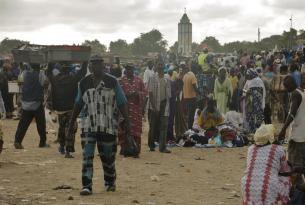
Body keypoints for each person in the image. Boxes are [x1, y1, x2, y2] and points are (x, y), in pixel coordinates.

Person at [67, 55, 130, 195]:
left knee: (108, 157)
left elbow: (122, 102)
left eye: (98, 64)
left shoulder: (112, 82)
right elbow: (78, 104)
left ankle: (110, 182)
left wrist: (127, 122)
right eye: (93, 64)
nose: (95, 67)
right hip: (88, 125)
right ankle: (87, 185)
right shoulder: (83, 83)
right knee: (87, 155)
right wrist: (71, 124)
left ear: (103, 66)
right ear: (90, 67)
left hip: (108, 126)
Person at [241, 124, 291, 204]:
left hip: (247, 184)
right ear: (271, 137)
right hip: (269, 186)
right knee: (286, 180)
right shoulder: (279, 149)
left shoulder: (250, 149)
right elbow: (285, 171)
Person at [47, 61, 87, 158]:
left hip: (59, 108)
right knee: (71, 129)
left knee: (62, 127)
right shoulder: (72, 79)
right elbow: (83, 72)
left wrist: (51, 61)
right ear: (69, 70)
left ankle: (61, 146)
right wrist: (85, 61)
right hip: (70, 109)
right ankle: (68, 151)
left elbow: (48, 73)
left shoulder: (55, 79)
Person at [14, 63, 49, 149]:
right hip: (37, 103)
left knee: (23, 124)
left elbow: (19, 83)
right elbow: (46, 84)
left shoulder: (24, 73)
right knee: (41, 124)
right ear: (39, 66)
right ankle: (42, 142)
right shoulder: (41, 74)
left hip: (26, 103)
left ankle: (17, 141)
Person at [279, 75, 305, 187]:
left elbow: (292, 114)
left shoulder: (295, 94)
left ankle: (298, 195)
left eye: (286, 87)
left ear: (289, 85)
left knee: (295, 168)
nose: (285, 89)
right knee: (302, 166)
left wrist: (283, 130)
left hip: (297, 136)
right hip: (302, 134)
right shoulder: (302, 92)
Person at [119, 64, 146, 156]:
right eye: (127, 69)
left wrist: (137, 94)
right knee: (124, 129)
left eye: (131, 69)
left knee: (136, 130)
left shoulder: (139, 81)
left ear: (134, 70)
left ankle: (135, 150)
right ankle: (125, 149)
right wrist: (126, 96)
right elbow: (117, 94)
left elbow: (144, 93)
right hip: (124, 110)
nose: (129, 71)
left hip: (136, 110)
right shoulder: (121, 81)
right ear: (125, 70)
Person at [147, 61, 171, 153]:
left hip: (164, 104)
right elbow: (150, 93)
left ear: (164, 66)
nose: (160, 66)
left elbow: (169, 95)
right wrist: (154, 107)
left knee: (164, 126)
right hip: (154, 105)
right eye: (159, 64)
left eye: (161, 65)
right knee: (153, 126)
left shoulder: (167, 78)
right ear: (156, 66)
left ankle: (162, 147)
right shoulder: (152, 78)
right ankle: (151, 145)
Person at [242, 68, 265, 133]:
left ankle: (257, 130)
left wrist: (248, 91)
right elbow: (244, 90)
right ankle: (251, 130)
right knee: (250, 116)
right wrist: (246, 92)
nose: (247, 76)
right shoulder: (249, 80)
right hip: (250, 102)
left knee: (257, 115)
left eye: (248, 75)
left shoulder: (257, 80)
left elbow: (259, 91)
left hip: (256, 102)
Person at [182, 62, 199, 129]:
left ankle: (188, 128)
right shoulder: (192, 75)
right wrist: (200, 93)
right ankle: (190, 128)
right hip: (192, 97)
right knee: (192, 115)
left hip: (186, 97)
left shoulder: (185, 75)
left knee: (189, 114)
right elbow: (195, 87)